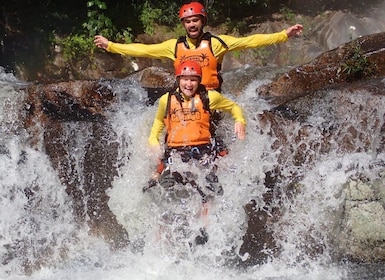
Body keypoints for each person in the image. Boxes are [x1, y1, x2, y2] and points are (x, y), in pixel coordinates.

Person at [94, 1, 303, 91]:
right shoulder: (173, 46)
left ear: (202, 21)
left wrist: (283, 35)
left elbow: (251, 41)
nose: (192, 24)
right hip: (184, 97)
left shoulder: (218, 43)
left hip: (211, 96)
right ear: (183, 24)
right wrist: (111, 45)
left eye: (196, 20)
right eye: (188, 21)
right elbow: (142, 49)